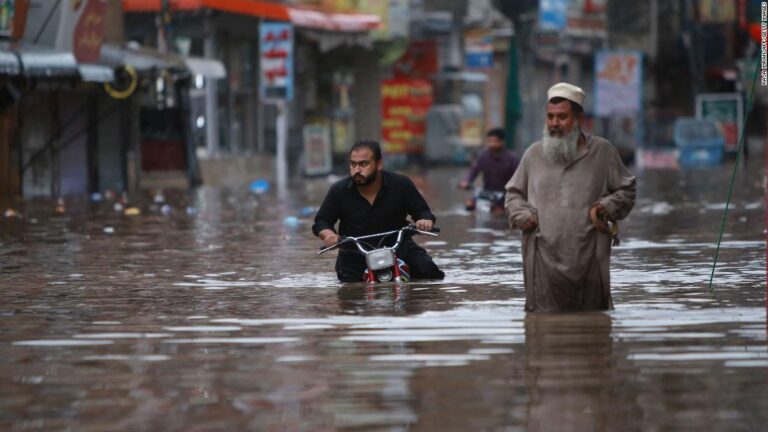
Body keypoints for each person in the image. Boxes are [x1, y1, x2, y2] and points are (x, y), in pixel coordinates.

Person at [504, 82, 636, 312]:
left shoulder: (602, 152)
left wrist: (606, 207)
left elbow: (627, 189)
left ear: (579, 119)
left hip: (589, 258)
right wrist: (522, 215)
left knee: (593, 325)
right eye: (550, 117)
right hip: (542, 260)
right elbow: (513, 194)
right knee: (542, 329)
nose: (554, 123)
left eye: (562, 117)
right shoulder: (533, 154)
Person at [313, 139, 445, 282]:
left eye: (364, 164)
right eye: (353, 164)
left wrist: (424, 221)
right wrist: (328, 235)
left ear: (379, 164)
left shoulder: (401, 184)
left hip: (399, 248)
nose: (357, 170)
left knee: (428, 270)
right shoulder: (338, 190)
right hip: (355, 254)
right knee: (351, 289)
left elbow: (422, 211)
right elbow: (322, 221)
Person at [459, 128, 520, 211]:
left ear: (502, 142)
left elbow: (519, 178)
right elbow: (473, 170)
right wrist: (466, 181)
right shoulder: (483, 156)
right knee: (469, 205)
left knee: (499, 212)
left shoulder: (512, 158)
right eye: (490, 141)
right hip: (487, 192)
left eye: (495, 141)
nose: (492, 144)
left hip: (505, 195)